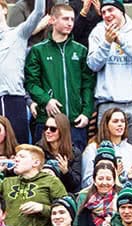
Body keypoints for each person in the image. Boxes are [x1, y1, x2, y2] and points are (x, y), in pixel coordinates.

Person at [25, 3, 95, 151]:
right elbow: (31, 83)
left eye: (72, 19)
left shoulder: (81, 51)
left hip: (75, 121)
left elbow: (87, 85)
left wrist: (86, 113)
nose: (70, 23)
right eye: (65, 19)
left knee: (74, 168)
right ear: (52, 20)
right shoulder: (38, 51)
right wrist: (46, 100)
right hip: (48, 122)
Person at [86, 0, 132, 152]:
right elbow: (92, 64)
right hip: (109, 104)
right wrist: (106, 43)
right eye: (103, 12)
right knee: (107, 154)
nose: (107, 15)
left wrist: (121, 41)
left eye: (111, 10)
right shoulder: (98, 32)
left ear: (122, 11)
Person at [0, 144, 67, 226]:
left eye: (22, 157)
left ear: (36, 162)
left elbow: (67, 209)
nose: (16, 160)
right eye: (16, 157)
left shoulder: (51, 181)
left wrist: (42, 208)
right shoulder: (7, 182)